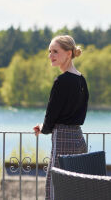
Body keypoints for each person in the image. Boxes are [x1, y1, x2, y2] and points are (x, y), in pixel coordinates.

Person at [33, 35, 89, 200]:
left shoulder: (62, 81)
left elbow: (52, 114)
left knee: (56, 188)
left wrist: (43, 128)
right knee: (75, 189)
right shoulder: (81, 80)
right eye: (50, 51)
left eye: (55, 51)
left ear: (69, 53)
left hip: (63, 139)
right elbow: (80, 113)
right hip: (79, 138)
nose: (51, 55)